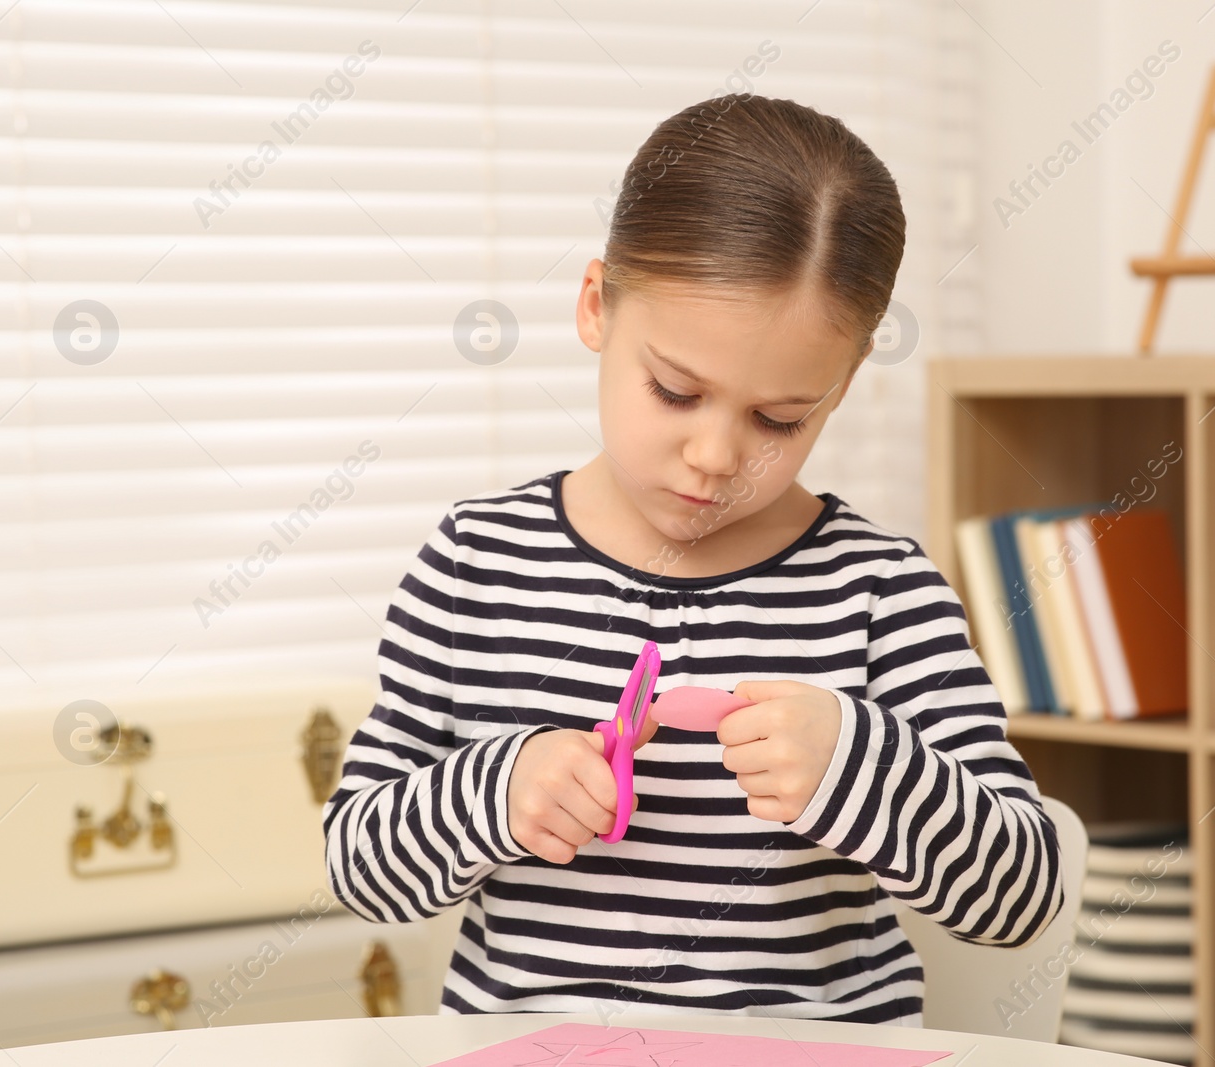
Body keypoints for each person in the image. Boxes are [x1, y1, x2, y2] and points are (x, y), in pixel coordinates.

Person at [323, 92, 1063, 1026]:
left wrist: (863, 768)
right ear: (596, 305)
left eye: (779, 418)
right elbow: (359, 868)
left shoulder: (880, 591)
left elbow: (1021, 897)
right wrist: (493, 789)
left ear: (844, 380)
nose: (717, 456)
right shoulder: (476, 564)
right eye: (675, 391)